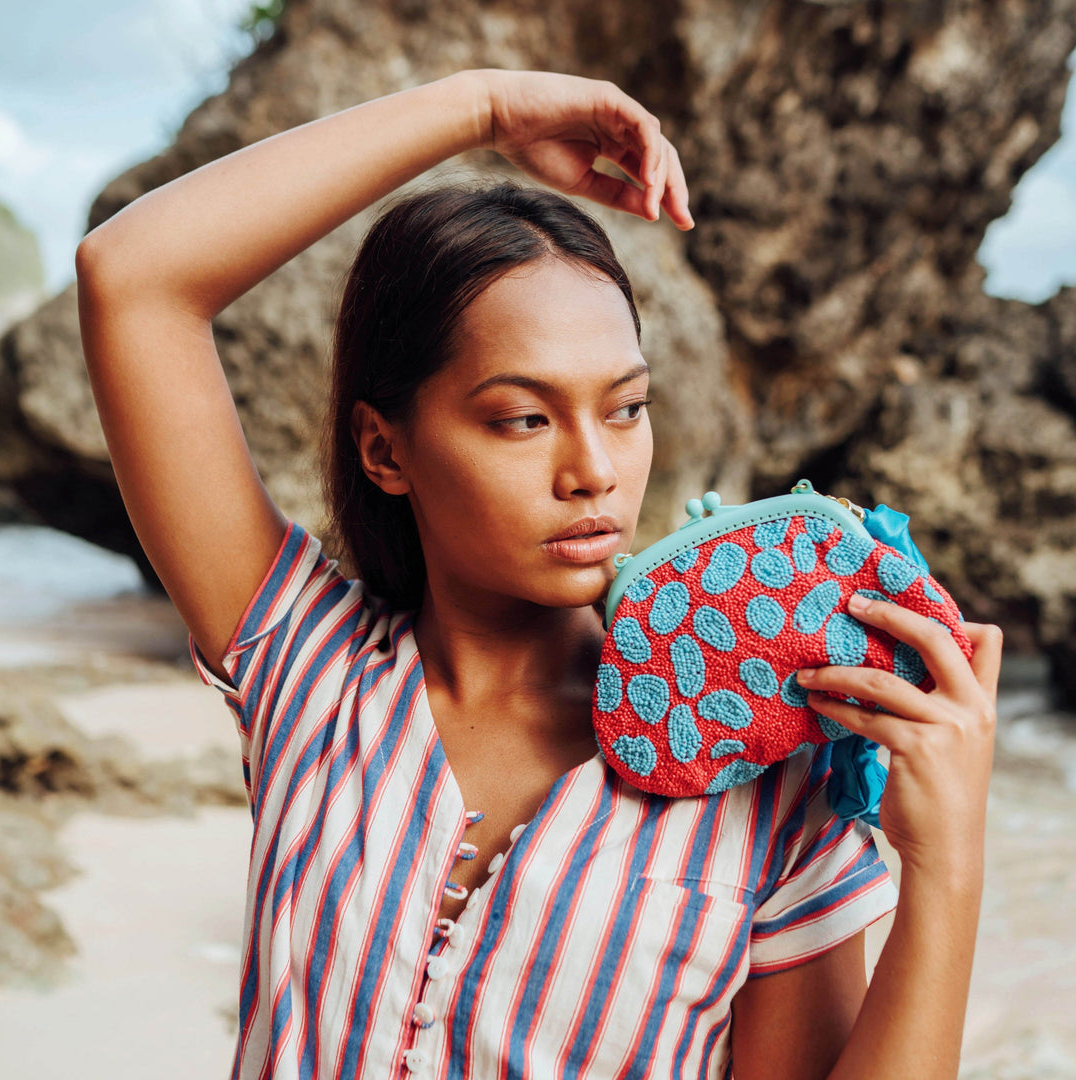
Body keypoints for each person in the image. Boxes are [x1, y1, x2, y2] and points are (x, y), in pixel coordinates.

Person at [75, 67, 1003, 1080]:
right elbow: (133, 280)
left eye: (625, 408)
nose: (594, 471)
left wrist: (946, 866)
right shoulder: (308, 670)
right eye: (523, 418)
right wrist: (483, 108)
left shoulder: (757, 785)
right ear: (386, 451)